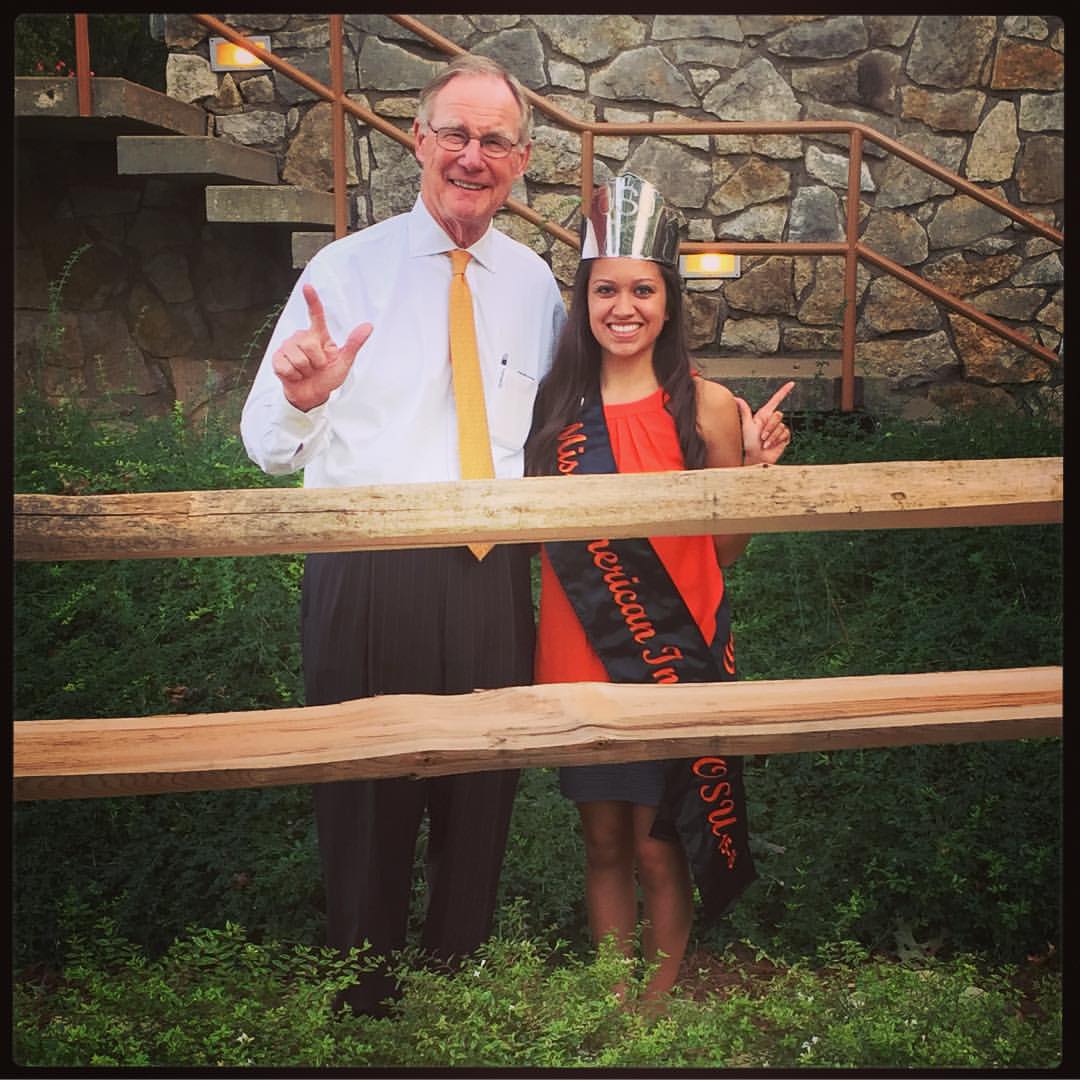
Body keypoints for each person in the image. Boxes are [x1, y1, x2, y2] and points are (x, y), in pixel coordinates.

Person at [240, 54, 566, 1016]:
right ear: (418, 142)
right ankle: (362, 994)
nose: (472, 156)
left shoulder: (536, 283)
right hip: (368, 568)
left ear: (521, 160)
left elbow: (567, 433)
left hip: (490, 569)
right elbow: (264, 444)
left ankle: (456, 985)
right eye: (454, 135)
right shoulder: (344, 271)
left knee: (483, 781)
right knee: (367, 787)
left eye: (494, 141)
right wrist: (303, 402)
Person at [525, 173, 793, 1003]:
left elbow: (727, 550)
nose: (624, 306)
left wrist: (751, 476)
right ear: (585, 299)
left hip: (677, 653)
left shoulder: (710, 408)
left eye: (642, 289)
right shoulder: (553, 406)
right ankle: (613, 1008)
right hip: (580, 653)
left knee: (658, 846)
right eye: (606, 289)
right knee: (604, 844)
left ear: (669, 302)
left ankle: (653, 1015)